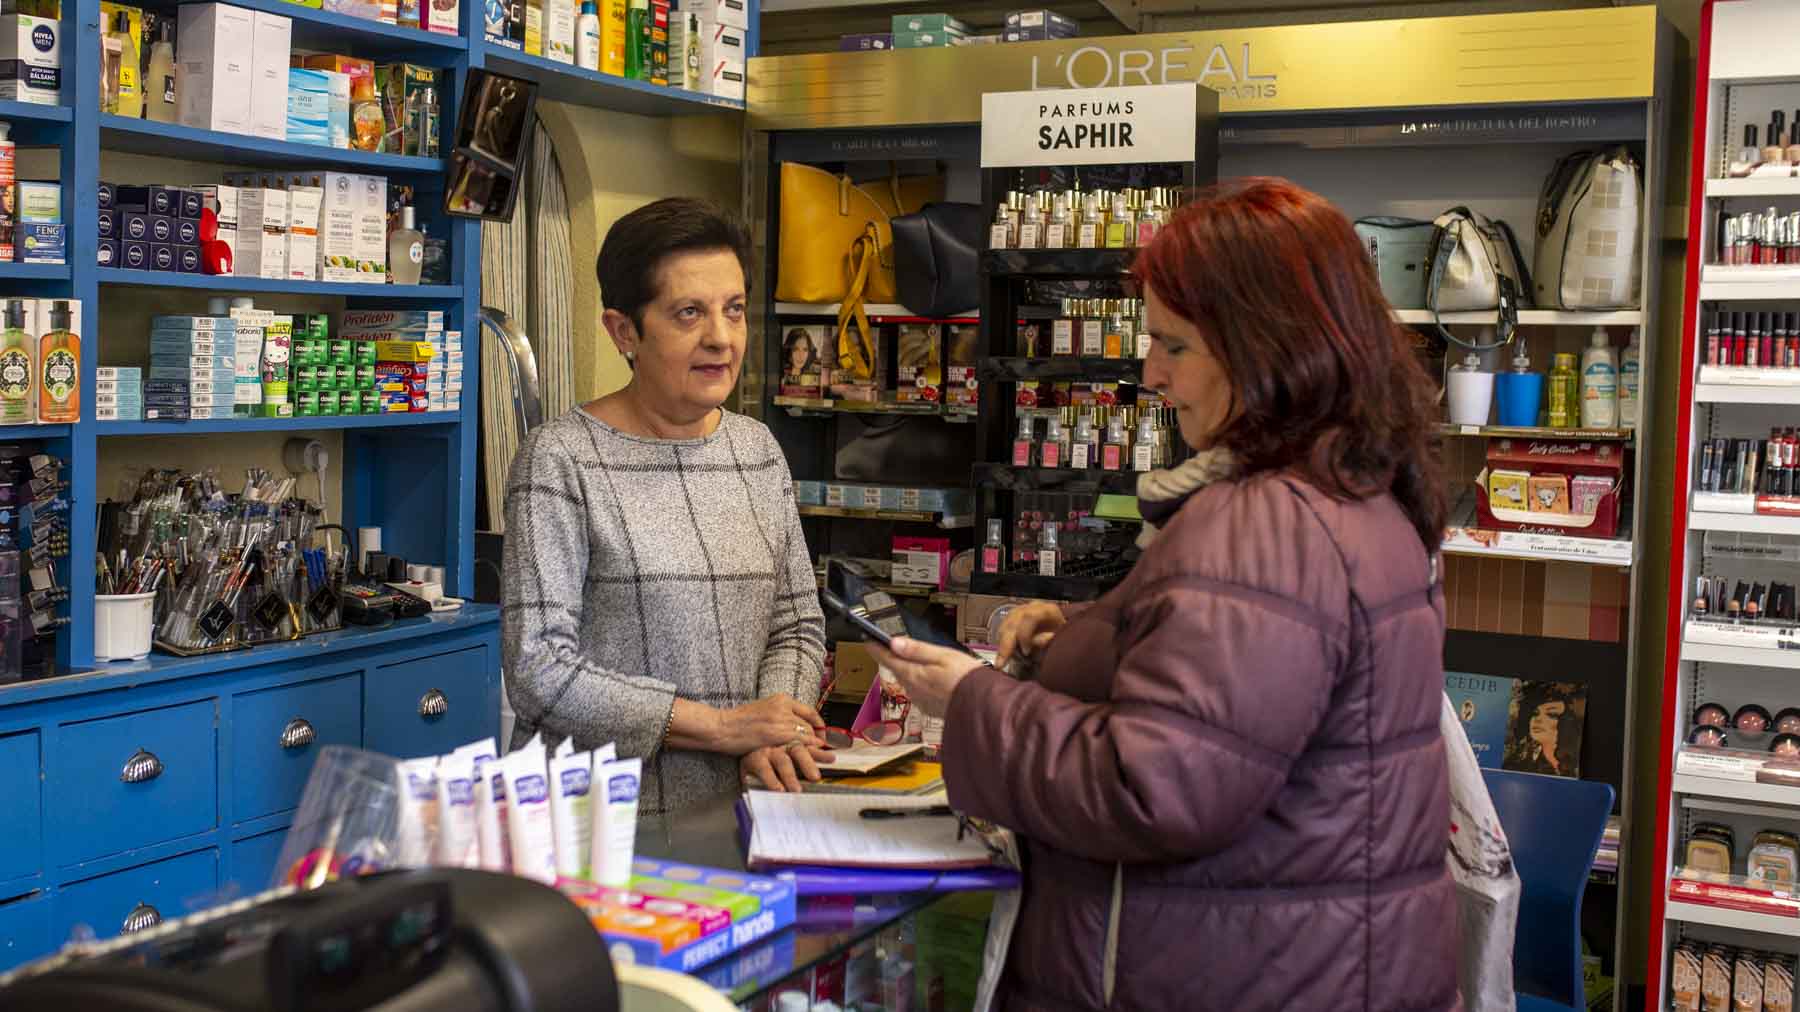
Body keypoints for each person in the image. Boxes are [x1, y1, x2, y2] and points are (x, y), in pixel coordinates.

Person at [869, 178, 1460, 1012]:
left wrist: (974, 701)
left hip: (1229, 972)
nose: (1150, 374)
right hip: (1311, 964)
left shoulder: (1265, 524)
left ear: (1266, 347)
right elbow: (1252, 682)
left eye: (1173, 346)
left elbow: (1156, 790)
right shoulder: (1352, 487)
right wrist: (1092, 635)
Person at [502, 197, 832, 816]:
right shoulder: (561, 459)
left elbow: (795, 624)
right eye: (689, 313)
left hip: (738, 805)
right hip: (593, 817)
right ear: (624, 331)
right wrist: (723, 727)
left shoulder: (755, 449)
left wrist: (774, 731)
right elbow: (538, 670)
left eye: (734, 311)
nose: (721, 338)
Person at [1505, 682, 1583, 777]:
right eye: (1535, 713)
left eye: (1551, 714)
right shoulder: (1518, 764)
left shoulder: (1575, 766)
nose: (1537, 719)